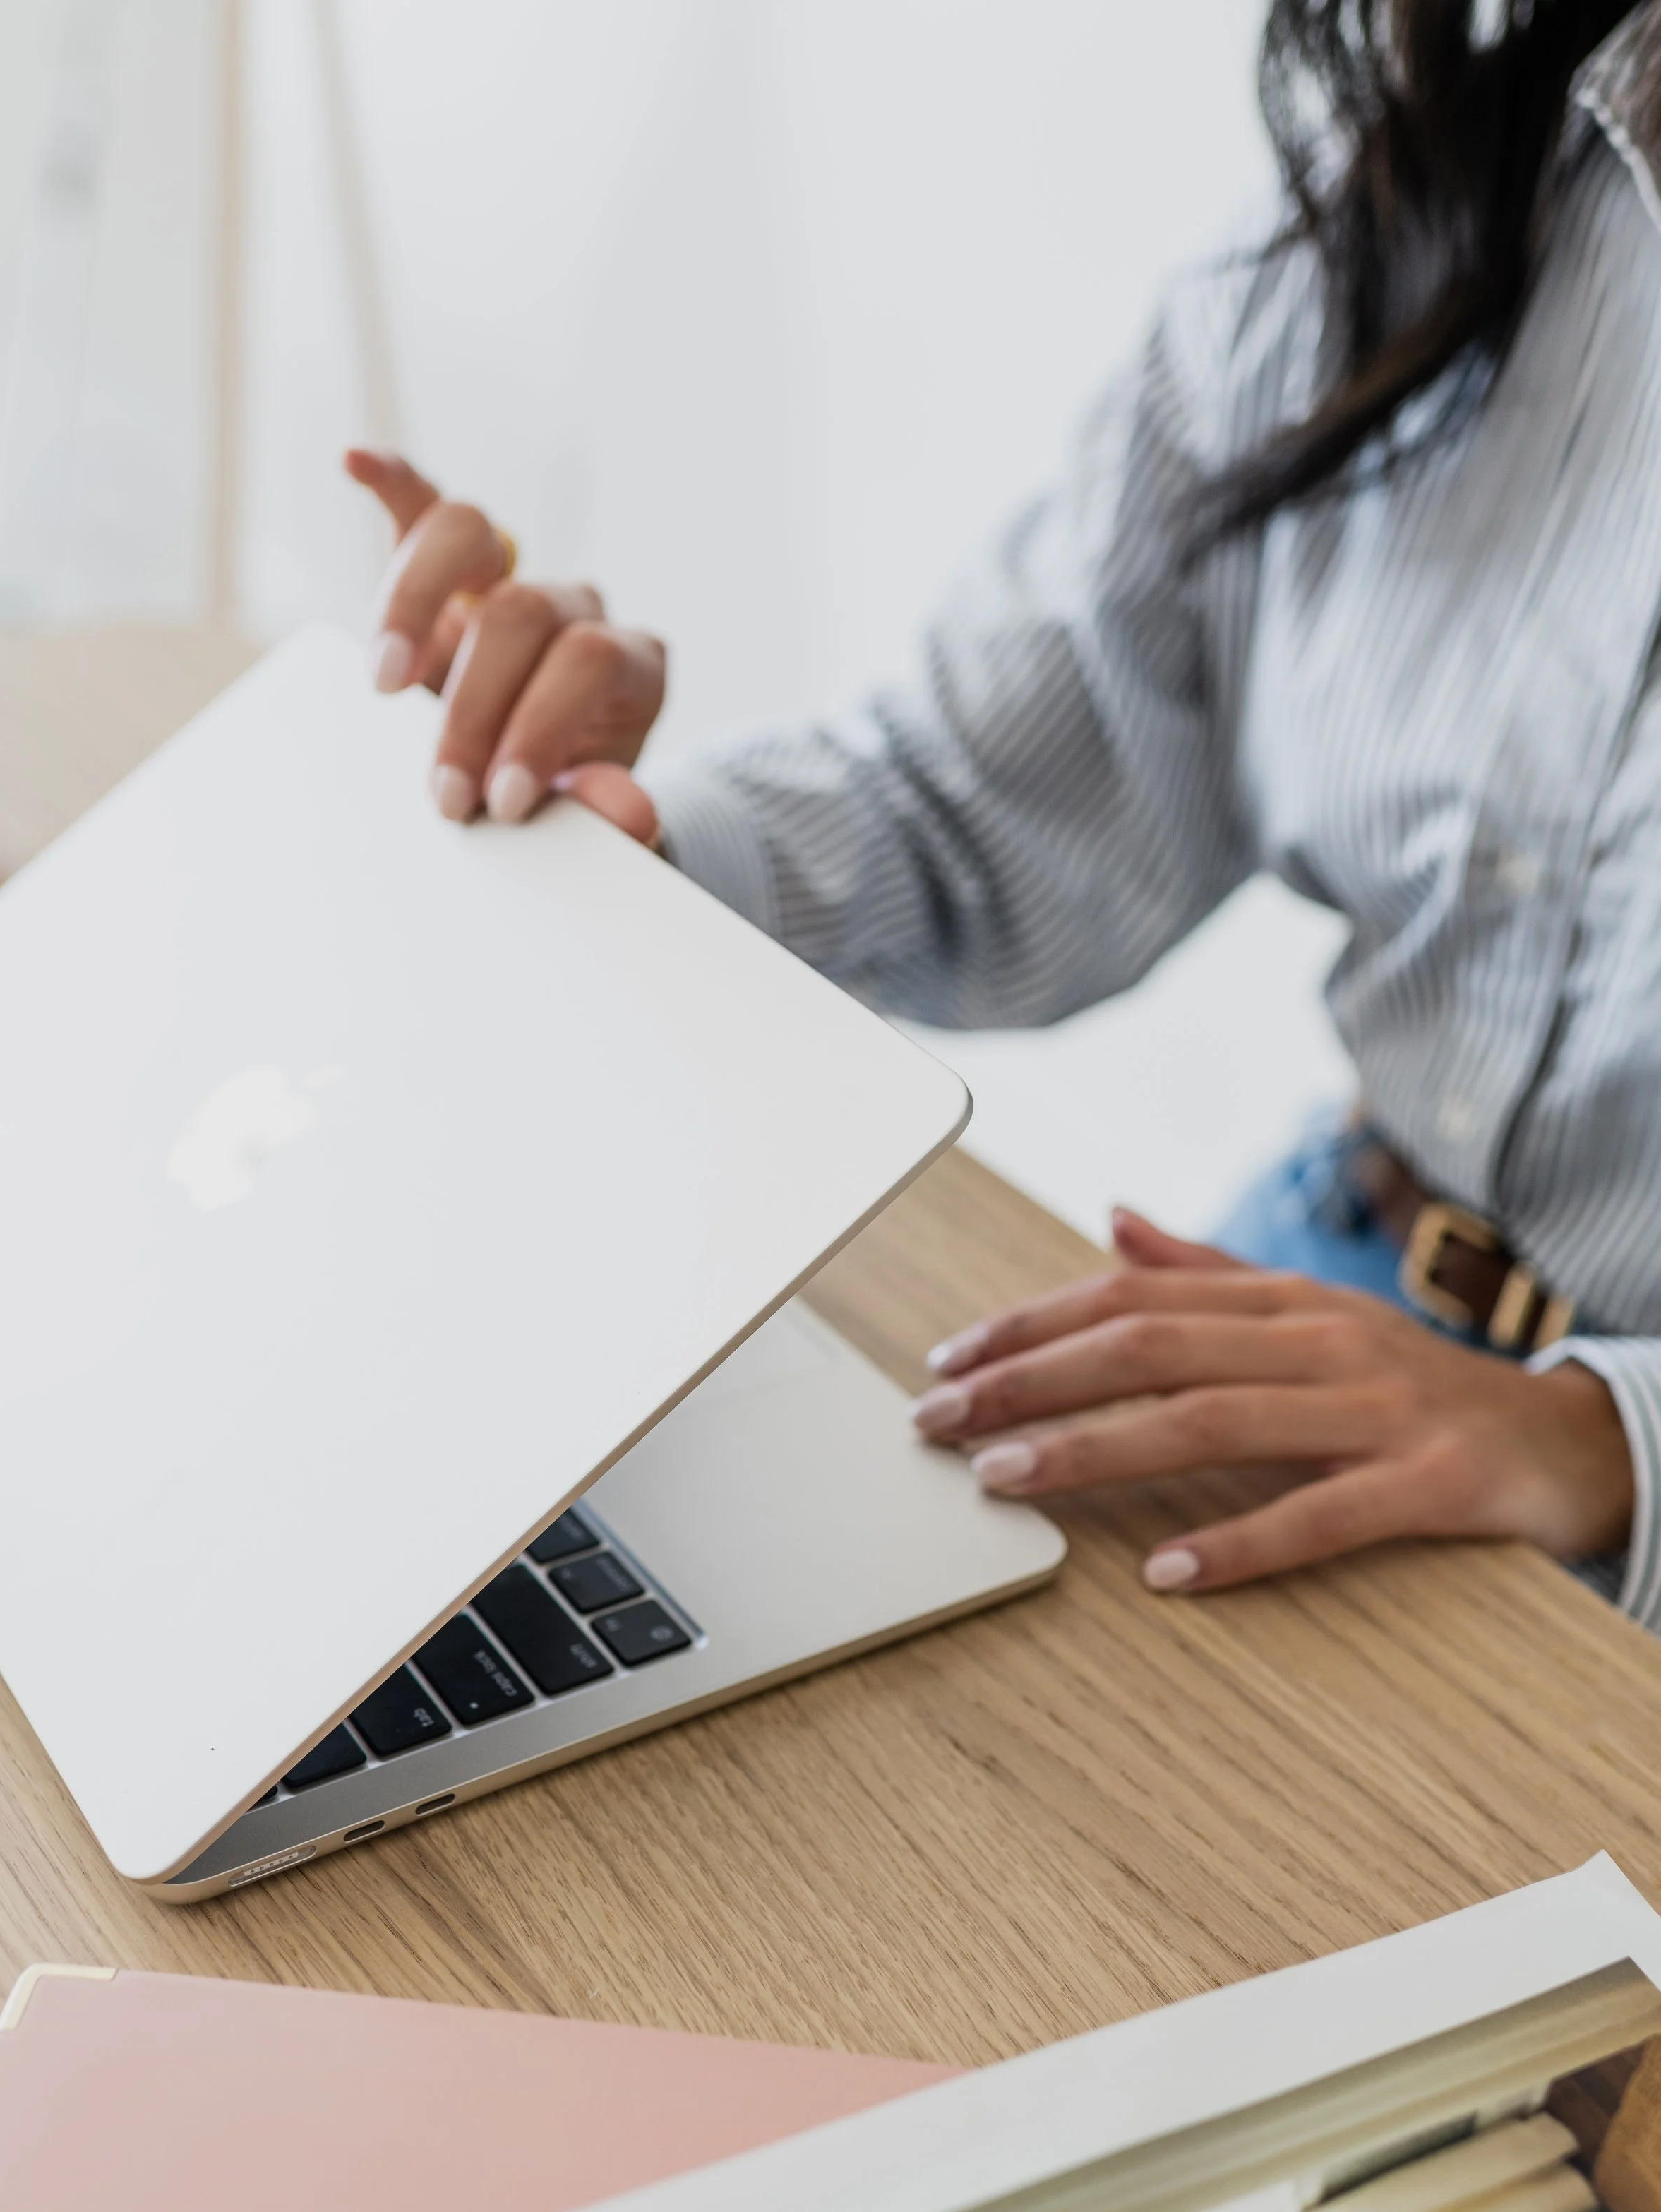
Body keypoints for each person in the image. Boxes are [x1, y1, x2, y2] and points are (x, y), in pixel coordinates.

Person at [343, 0, 1661, 1627]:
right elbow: (988, 796)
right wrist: (617, 842)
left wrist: (1602, 1437)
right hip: (1335, 1311)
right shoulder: (1462, 151)